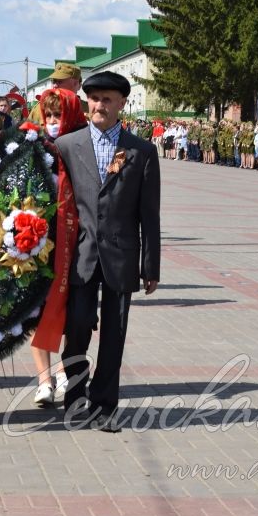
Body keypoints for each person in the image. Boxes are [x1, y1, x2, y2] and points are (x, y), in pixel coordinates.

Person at [56, 71, 161, 433]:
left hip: (121, 255)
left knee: (114, 333)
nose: (100, 105)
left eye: (108, 99)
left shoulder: (141, 151)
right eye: (95, 98)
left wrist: (151, 266)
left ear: (122, 104)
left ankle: (105, 406)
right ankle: (74, 397)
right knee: (78, 326)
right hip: (81, 255)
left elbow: (150, 213)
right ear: (87, 102)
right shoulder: (68, 146)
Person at [31, 88, 87, 406]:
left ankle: (66, 372)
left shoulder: (82, 147)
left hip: (74, 241)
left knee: (70, 312)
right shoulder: (34, 146)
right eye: (49, 115)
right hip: (40, 240)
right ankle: (44, 380)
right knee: (38, 309)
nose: (53, 122)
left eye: (58, 115)